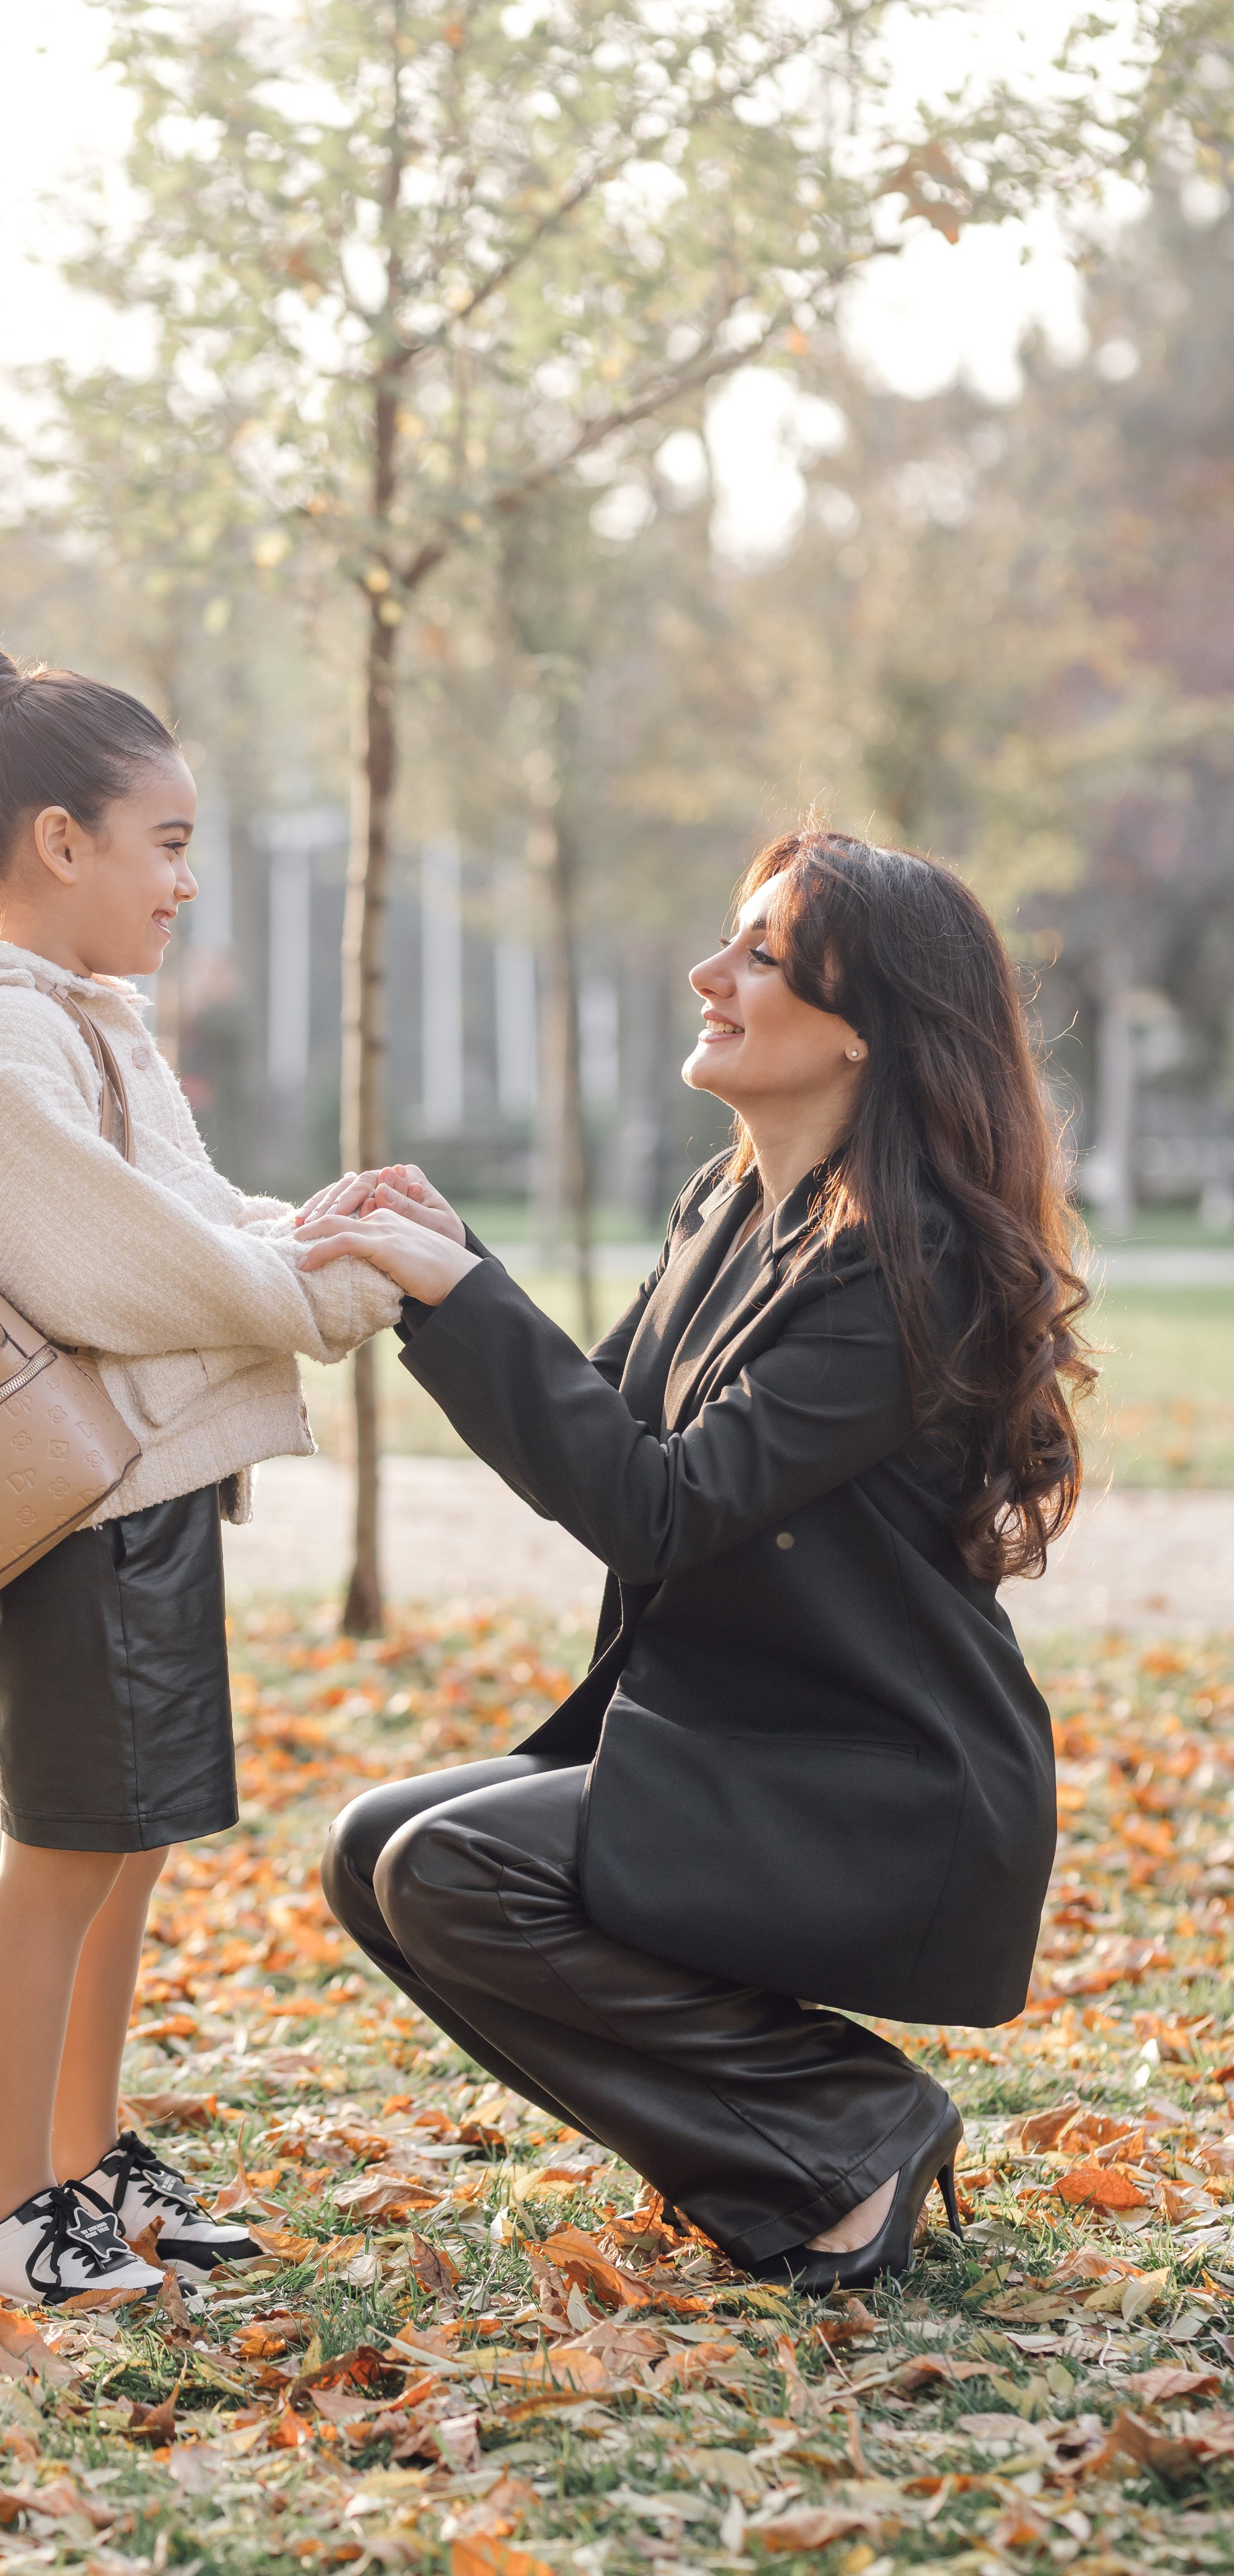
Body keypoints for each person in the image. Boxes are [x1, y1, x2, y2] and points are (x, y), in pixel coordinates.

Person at [297, 832, 1093, 2289]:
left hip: (881, 1785)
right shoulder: (726, 1206)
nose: (705, 974)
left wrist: (459, 1292)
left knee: (457, 1869)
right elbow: (598, 1432)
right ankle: (789, 2156)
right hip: (747, 1751)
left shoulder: (906, 1266)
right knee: (371, 1853)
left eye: (759, 955)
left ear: (863, 1025)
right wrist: (444, 1255)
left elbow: (657, 1508)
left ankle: (845, 2128)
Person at [0, 621, 399, 2304]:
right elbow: (115, 1257)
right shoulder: (3, 1040)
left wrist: (309, 1226)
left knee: (130, 1840)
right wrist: (311, 1289)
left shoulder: (85, 1020)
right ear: (62, 842)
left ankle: (86, 2155)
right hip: (72, 1512)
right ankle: (9, 2205)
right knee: (59, 1854)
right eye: (165, 842)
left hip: (144, 1492)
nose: (182, 882)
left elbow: (189, 1211)